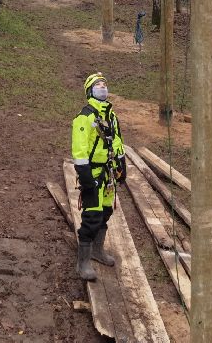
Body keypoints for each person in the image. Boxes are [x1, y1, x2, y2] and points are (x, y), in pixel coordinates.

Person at [71, 72, 126, 280]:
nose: (103, 87)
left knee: (105, 213)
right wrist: (85, 177)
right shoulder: (84, 117)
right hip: (92, 174)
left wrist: (122, 166)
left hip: (109, 174)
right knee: (91, 216)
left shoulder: (111, 116)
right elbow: (79, 149)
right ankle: (82, 263)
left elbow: (118, 142)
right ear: (89, 90)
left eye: (104, 83)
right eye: (98, 84)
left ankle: (97, 250)